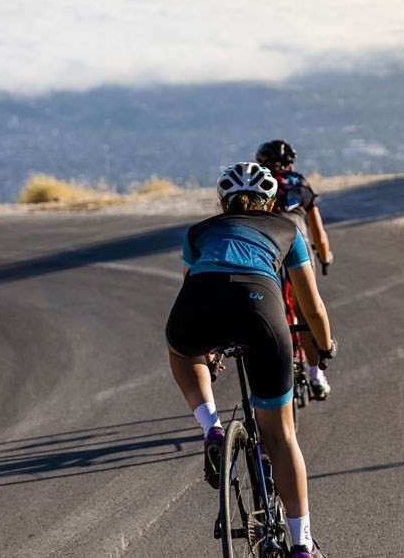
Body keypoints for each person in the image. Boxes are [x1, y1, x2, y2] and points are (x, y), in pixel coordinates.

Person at [166, 161, 336, 558]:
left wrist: (208, 349)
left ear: (221, 202)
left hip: (198, 309)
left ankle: (212, 427)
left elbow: (197, 287)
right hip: (261, 312)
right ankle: (301, 544)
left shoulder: (198, 233)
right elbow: (312, 309)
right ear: (272, 200)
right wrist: (324, 348)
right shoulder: (287, 230)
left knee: (181, 349)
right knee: (280, 436)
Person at [256, 139, 335, 400]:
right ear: (291, 162)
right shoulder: (299, 183)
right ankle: (316, 376)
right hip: (297, 242)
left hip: (265, 247)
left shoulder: (259, 184)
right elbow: (319, 235)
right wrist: (325, 258)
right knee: (305, 311)